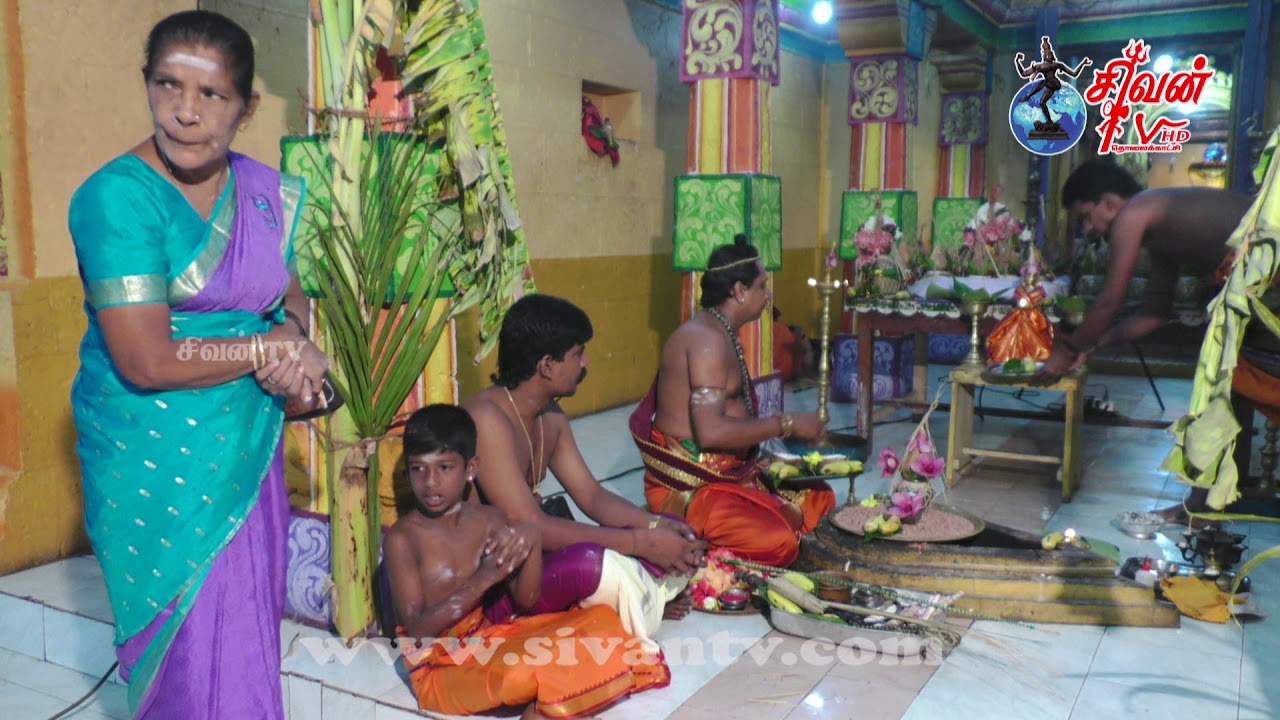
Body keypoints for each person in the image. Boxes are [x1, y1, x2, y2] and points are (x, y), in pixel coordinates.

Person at [68, 11, 329, 717]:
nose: (185, 112)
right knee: (186, 652)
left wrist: (292, 335)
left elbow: (290, 295)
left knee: (243, 636)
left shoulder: (266, 194)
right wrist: (264, 351)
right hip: (155, 460)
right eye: (167, 85)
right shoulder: (116, 199)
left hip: (245, 446)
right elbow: (145, 359)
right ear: (146, 84)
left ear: (246, 107)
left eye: (211, 94)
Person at [386, 405, 669, 719]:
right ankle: (551, 707)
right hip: (440, 667)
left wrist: (531, 540)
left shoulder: (489, 520)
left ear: (470, 469)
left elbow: (526, 599)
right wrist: (483, 580)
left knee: (601, 624)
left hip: (489, 639)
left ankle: (549, 704)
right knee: (530, 667)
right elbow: (416, 628)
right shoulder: (403, 539)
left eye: (444, 467)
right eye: (418, 469)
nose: (430, 482)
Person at [461, 294, 700, 648]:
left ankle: (643, 595)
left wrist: (653, 526)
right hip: (500, 586)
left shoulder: (550, 417)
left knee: (676, 529)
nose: (585, 363)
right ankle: (645, 596)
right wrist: (643, 543)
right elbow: (531, 523)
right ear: (547, 365)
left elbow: (593, 496)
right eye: (577, 354)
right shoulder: (486, 419)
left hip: (537, 559)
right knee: (592, 564)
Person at [1037, 158, 1262, 519]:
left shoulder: (1135, 212)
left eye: (1086, 217)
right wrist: (1095, 344)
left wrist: (1068, 349)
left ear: (1109, 203)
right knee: (1225, 386)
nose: (1089, 230)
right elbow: (1153, 315)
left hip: (1268, 269)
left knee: (1224, 382)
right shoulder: (1159, 234)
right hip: (1252, 282)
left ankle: (1204, 502)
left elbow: (1110, 301)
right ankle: (1208, 502)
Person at [632, 235, 834, 568]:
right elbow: (710, 432)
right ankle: (693, 546)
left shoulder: (721, 330)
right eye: (762, 286)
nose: (768, 295)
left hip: (733, 474)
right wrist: (788, 423)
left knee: (819, 498)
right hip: (693, 486)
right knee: (779, 541)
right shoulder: (707, 341)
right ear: (740, 291)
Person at [986, 247, 1054, 364]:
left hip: (1034, 317)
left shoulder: (1040, 291)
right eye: (1028, 274)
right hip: (1020, 314)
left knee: (1035, 337)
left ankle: (1034, 356)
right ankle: (1009, 355)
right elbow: (1018, 300)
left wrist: (1038, 304)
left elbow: (1040, 302)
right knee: (1009, 332)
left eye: (1033, 274)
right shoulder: (1020, 290)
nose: (1030, 277)